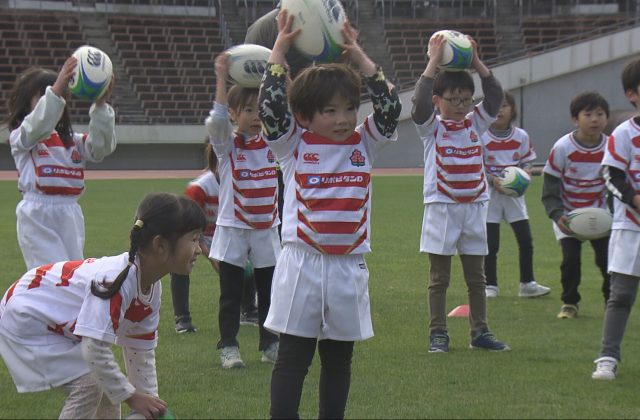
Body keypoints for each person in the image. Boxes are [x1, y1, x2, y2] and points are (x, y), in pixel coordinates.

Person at [259, 11, 401, 419]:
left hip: (347, 268)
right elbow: (270, 106)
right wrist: (280, 50)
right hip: (301, 264)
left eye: (349, 108)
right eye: (330, 111)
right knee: (293, 358)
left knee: (339, 361)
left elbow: (389, 107)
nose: (342, 119)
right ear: (304, 116)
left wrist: (358, 56)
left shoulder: (365, 143)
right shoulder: (292, 145)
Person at [0, 192, 206, 419]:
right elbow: (93, 349)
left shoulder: (151, 287)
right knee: (90, 384)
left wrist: (150, 405)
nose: (199, 249)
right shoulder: (116, 280)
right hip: (25, 316)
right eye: (194, 239)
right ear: (160, 245)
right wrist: (132, 397)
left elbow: (140, 353)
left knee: (107, 385)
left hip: (44, 318)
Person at [412, 33, 509, 353]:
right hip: (442, 206)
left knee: (477, 277)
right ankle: (437, 333)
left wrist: (477, 61)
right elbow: (419, 103)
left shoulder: (475, 123)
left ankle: (480, 331)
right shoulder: (431, 128)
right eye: (453, 99)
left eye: (466, 99)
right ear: (438, 101)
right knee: (439, 278)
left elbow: (494, 96)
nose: (460, 105)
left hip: (475, 206)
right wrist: (433, 62)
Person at [5, 57, 116, 271]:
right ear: (26, 102)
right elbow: (38, 124)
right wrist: (56, 89)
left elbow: (101, 147)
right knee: (52, 274)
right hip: (37, 215)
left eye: (60, 95)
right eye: (45, 94)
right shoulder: (23, 137)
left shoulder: (72, 142)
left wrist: (100, 106)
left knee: (73, 274)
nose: (55, 98)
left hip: (70, 213)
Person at [206, 52, 281, 369]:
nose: (255, 116)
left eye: (259, 109)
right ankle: (228, 346)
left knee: (269, 291)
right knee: (231, 294)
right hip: (233, 228)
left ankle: (270, 343)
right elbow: (217, 121)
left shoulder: (276, 142)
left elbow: (288, 111)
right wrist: (221, 78)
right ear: (235, 114)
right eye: (247, 110)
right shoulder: (227, 146)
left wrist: (280, 74)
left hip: (266, 228)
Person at [541, 91, 611, 319]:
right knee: (571, 260)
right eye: (588, 114)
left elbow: (616, 183)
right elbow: (550, 187)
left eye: (599, 114)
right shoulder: (563, 147)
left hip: (601, 215)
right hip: (569, 217)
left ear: (607, 118)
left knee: (608, 260)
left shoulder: (612, 147)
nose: (594, 119)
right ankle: (570, 303)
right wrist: (557, 214)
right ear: (575, 119)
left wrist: (614, 213)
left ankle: (611, 302)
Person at [591, 59, 640, 380]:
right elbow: (611, 174)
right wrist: (635, 199)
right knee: (620, 295)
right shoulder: (623, 133)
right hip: (631, 227)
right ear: (632, 94)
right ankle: (607, 357)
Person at [481, 91, 551, 298]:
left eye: (504, 105)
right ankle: (490, 285)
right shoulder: (481, 136)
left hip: (514, 196)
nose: (500, 110)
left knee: (525, 239)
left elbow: (527, 161)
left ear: (512, 110)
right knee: (491, 244)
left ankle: (527, 284)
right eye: (495, 106)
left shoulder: (521, 136)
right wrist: (491, 179)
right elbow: (476, 165)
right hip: (491, 196)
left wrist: (526, 173)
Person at [170, 142, 221, 333]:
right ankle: (182, 318)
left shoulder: (241, 182)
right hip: (191, 233)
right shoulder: (199, 188)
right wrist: (210, 254)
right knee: (181, 261)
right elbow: (189, 227)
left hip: (224, 234)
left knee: (246, 262)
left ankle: (248, 308)